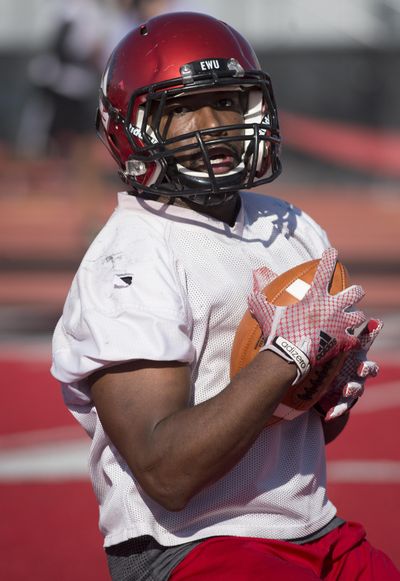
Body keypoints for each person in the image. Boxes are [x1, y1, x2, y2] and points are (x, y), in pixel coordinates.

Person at [51, 11, 399, 580]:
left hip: (312, 527)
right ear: (133, 127)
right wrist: (285, 359)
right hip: (193, 544)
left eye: (228, 101)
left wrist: (321, 389)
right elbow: (167, 473)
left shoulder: (291, 227)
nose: (212, 124)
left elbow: (288, 422)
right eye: (182, 108)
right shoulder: (130, 256)